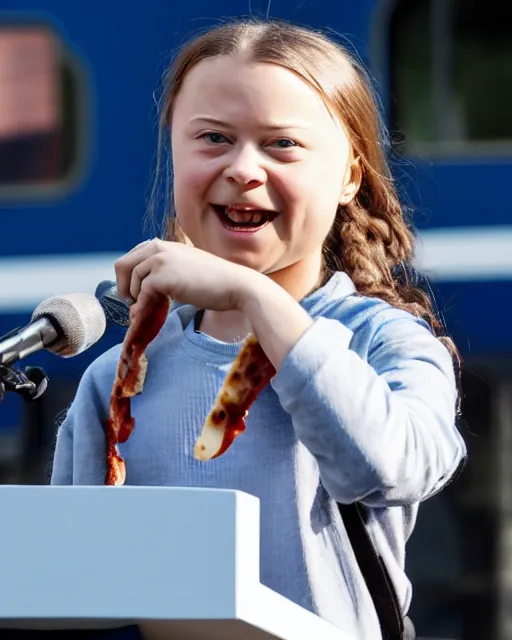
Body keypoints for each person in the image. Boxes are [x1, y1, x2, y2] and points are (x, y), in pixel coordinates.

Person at [50, 18, 467, 639]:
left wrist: (254, 295)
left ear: (350, 175)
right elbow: (70, 583)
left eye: (283, 144)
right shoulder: (117, 378)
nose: (244, 168)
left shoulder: (389, 343)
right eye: (213, 138)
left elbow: (389, 468)